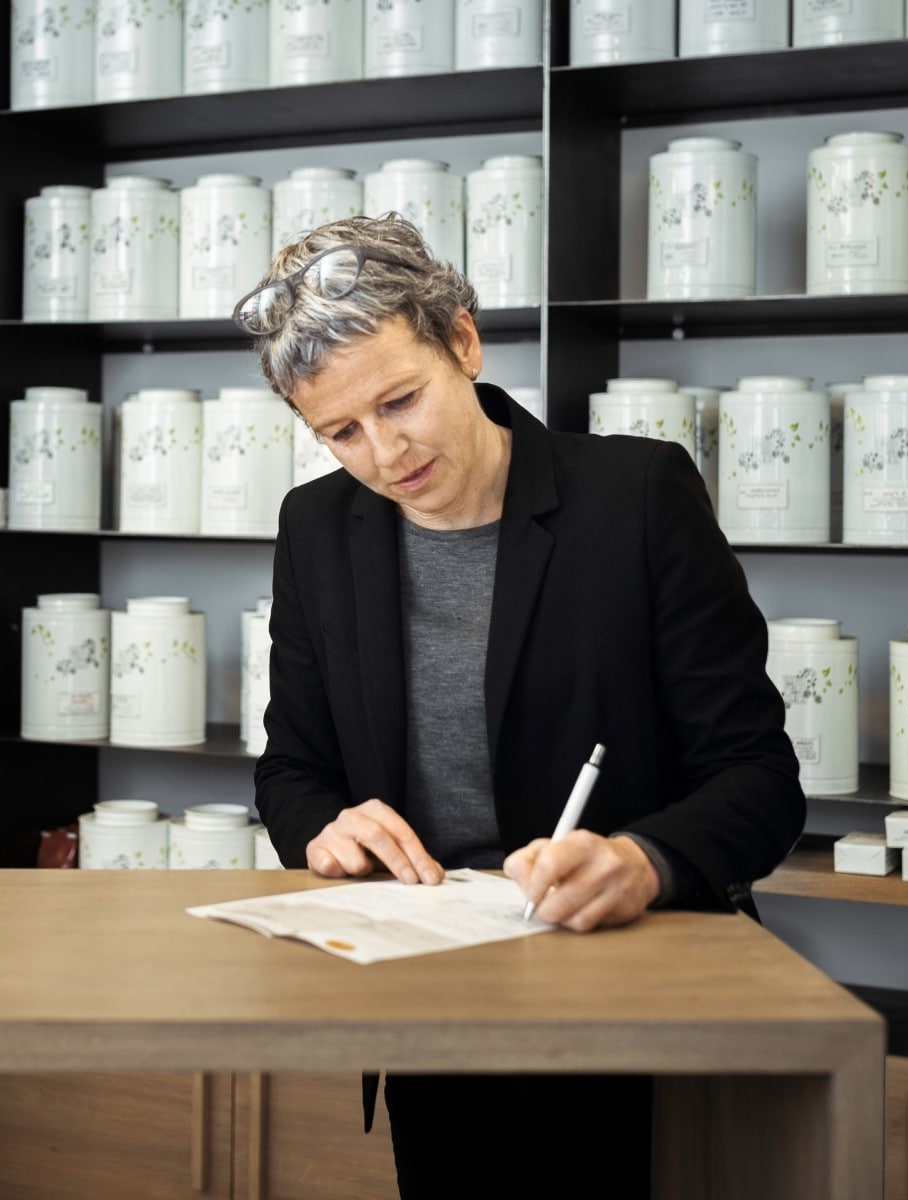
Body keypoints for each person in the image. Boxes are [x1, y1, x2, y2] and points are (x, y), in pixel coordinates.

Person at [237, 212, 806, 1197]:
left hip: (633, 991)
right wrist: (325, 829)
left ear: (462, 339)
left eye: (400, 400)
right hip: (428, 990)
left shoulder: (635, 496)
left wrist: (642, 860)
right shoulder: (317, 527)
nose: (382, 453)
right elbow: (290, 767)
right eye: (339, 431)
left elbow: (757, 779)